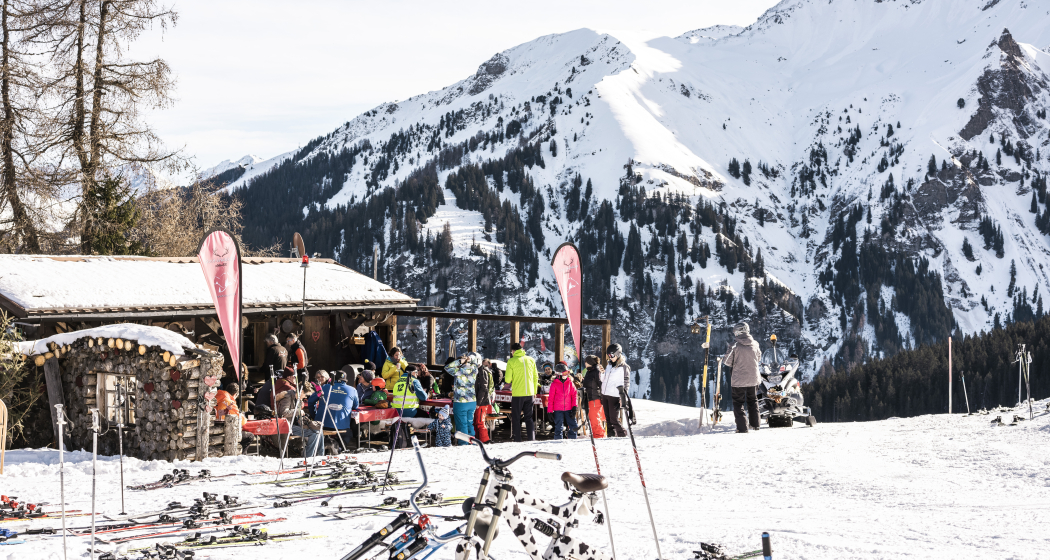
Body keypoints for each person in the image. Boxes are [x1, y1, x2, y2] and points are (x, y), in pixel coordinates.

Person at [723, 322, 762, 433]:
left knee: (738, 403)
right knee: (753, 400)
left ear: (739, 332)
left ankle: (742, 428)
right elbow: (758, 358)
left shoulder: (734, 345)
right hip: (753, 378)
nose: (734, 334)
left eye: (735, 332)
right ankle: (755, 425)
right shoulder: (755, 344)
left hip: (738, 380)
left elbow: (727, 361)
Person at [313, 369, 360, 450]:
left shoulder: (323, 387)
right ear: (345, 380)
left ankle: (326, 446)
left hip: (321, 423)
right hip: (342, 426)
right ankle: (339, 448)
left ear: (332, 378)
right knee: (348, 434)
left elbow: (310, 402)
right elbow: (356, 406)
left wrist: (315, 415)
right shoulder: (352, 390)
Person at [505, 342, 539, 442]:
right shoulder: (531, 360)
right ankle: (531, 439)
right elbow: (535, 377)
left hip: (518, 394)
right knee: (529, 418)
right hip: (530, 393)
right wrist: (534, 391)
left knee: (516, 417)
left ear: (513, 351)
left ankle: (517, 439)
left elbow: (507, 379)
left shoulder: (511, 361)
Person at [445, 353, 479, 445]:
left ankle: (463, 444)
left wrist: (460, 361)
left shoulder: (458, 371)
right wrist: (470, 359)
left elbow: (447, 367)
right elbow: (476, 362)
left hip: (460, 401)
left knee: (462, 424)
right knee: (469, 423)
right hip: (472, 401)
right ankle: (473, 443)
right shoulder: (474, 370)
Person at [601, 344, 628, 437]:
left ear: (618, 354)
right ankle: (610, 436)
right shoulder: (609, 365)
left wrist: (623, 398)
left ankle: (622, 435)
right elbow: (603, 379)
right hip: (605, 394)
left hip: (614, 396)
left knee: (614, 419)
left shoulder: (623, 367)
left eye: (612, 355)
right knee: (608, 419)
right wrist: (602, 373)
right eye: (608, 355)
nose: (610, 357)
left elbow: (626, 383)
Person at [548, 363, 578, 439]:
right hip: (558, 409)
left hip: (569, 408)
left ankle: (573, 440)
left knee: (574, 426)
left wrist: (574, 407)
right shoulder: (554, 384)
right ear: (558, 374)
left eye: (568, 372)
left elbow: (574, 395)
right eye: (565, 373)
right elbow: (550, 399)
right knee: (558, 427)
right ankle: (558, 442)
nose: (567, 375)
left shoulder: (570, 383)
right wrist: (550, 411)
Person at [581, 356, 607, 438]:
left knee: (595, 419)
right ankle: (596, 434)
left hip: (595, 399)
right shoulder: (590, 371)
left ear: (589, 362)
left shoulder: (596, 371)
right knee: (593, 419)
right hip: (590, 398)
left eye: (586, 361)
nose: (585, 363)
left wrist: (602, 398)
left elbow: (601, 385)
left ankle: (599, 435)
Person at [473, 358, 496, 443]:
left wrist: (478, 402)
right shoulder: (480, 370)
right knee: (476, 421)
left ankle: (485, 440)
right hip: (480, 400)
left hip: (482, 401)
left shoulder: (482, 371)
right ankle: (478, 439)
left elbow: (484, 388)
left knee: (479, 421)